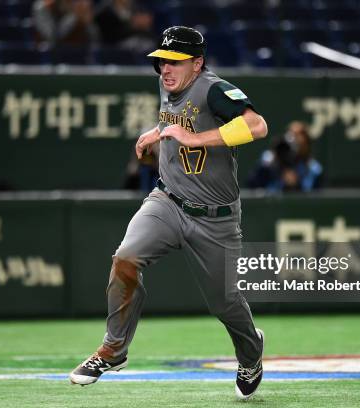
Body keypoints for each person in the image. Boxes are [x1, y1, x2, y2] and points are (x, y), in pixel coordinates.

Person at [69, 26, 268, 400]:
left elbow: (257, 125)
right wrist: (158, 131)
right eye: (162, 61)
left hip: (215, 217)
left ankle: (251, 353)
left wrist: (192, 138)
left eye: (175, 61)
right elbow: (180, 119)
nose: (165, 68)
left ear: (198, 63)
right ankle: (113, 349)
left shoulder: (213, 87)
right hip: (168, 201)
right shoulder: (169, 85)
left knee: (225, 304)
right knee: (125, 259)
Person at [247, 121, 322, 192]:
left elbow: (315, 197)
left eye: (297, 135)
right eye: (290, 133)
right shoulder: (269, 160)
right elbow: (252, 186)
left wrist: (296, 184)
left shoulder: (313, 168)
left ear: (306, 142)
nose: (293, 138)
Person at [32, 0, 99, 47]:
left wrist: (85, 22)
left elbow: (94, 40)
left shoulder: (79, 4)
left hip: (80, 56)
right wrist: (75, 16)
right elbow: (52, 38)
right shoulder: (43, 6)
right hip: (51, 58)